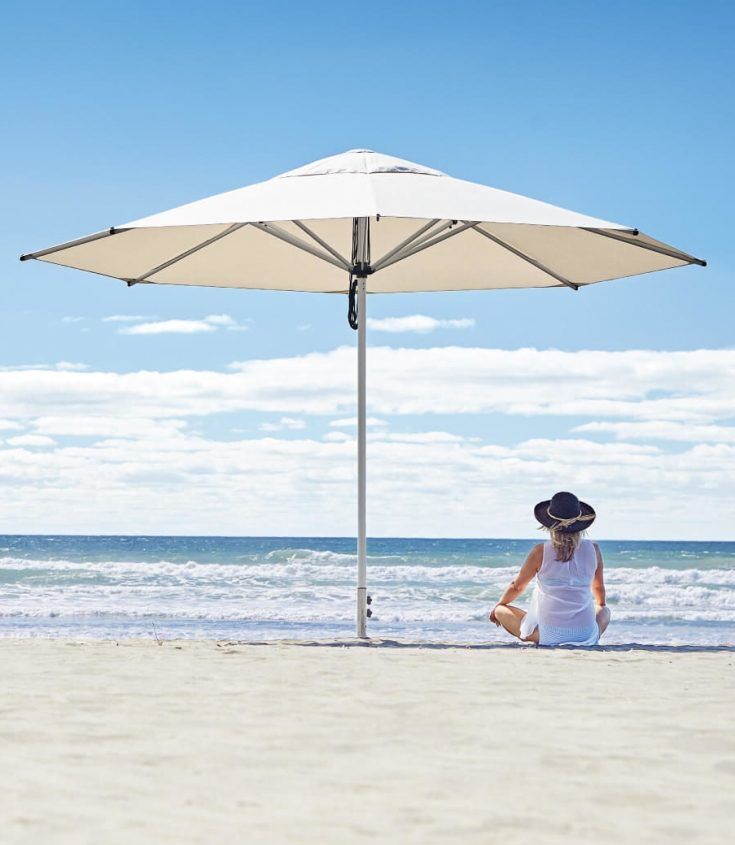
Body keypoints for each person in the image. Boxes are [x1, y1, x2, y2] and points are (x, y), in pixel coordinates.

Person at [489, 491, 611, 646]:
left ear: (548, 525)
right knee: (605, 611)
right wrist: (600, 605)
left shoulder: (540, 551)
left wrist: (498, 605)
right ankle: (586, 633)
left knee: (500, 610)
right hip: (585, 634)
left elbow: (517, 586)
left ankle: (507, 614)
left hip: (549, 635)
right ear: (580, 524)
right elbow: (598, 586)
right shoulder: (594, 550)